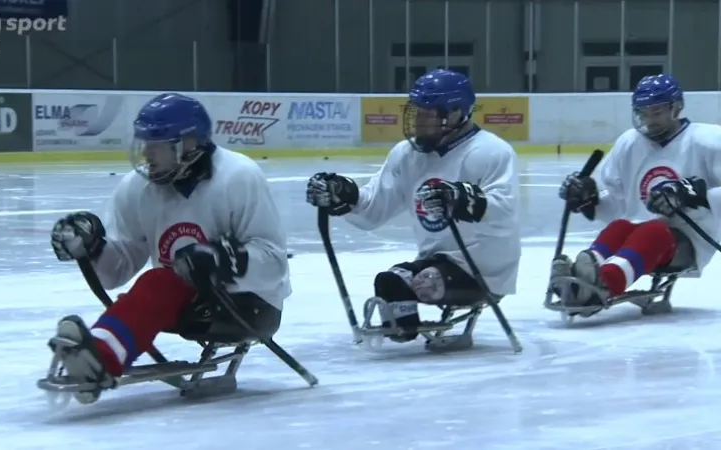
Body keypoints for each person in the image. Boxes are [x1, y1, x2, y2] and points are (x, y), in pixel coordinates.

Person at [48, 93, 290, 402]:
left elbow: (274, 265)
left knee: (160, 281)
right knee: (161, 283)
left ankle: (100, 359)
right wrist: (93, 248)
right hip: (181, 302)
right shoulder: (137, 188)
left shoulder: (239, 177)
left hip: (251, 304)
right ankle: (98, 352)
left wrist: (223, 260)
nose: (146, 153)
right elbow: (118, 269)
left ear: (187, 144)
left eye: (156, 143)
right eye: (145, 142)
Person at [305, 69, 521, 342]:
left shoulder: (491, 151)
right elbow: (375, 207)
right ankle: (406, 333)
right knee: (390, 282)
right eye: (417, 112)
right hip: (435, 260)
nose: (418, 122)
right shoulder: (407, 154)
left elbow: (504, 214)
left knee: (425, 283)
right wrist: (346, 195)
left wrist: (463, 200)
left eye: (428, 114)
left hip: (485, 268)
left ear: (456, 113)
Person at [553, 74, 721, 308]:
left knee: (655, 231)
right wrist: (589, 201)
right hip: (635, 231)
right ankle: (582, 278)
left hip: (687, 241)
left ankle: (603, 284)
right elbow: (618, 204)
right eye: (643, 113)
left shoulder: (709, 140)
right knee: (620, 227)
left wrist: (695, 192)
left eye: (657, 112)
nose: (649, 121)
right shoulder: (629, 143)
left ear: (677, 107)